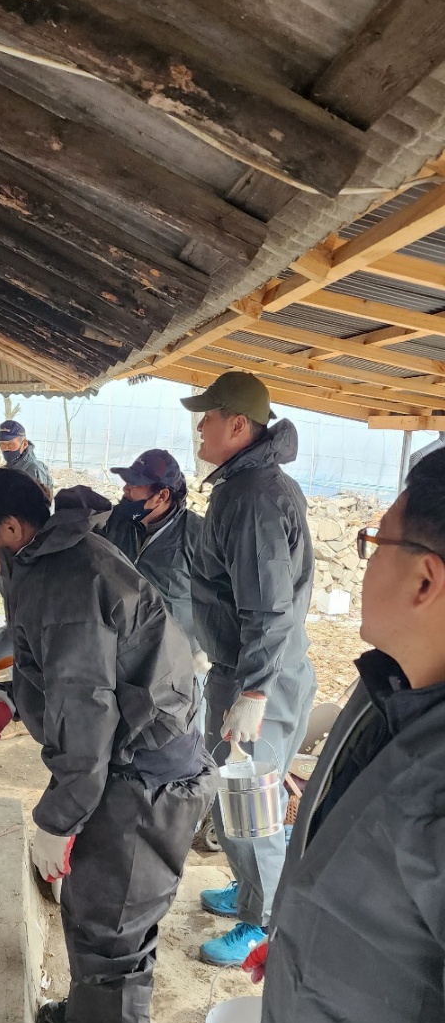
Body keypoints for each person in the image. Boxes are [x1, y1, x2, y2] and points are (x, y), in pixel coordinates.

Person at [248, 447, 445, 1023]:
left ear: (425, 580)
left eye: (374, 542)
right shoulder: (388, 692)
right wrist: (294, 940)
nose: (360, 560)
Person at [0, 469, 214, 1023]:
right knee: (96, 910)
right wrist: (10, 703)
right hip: (132, 761)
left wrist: (56, 819)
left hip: (146, 779)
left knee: (112, 931)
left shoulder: (65, 580)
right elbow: (64, 671)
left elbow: (85, 719)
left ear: (12, 529)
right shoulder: (56, 555)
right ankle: (90, 1015)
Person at [180, 371, 316, 966]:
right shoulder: (248, 485)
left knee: (254, 806)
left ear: (238, 425)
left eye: (207, 418)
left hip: (259, 677)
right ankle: (249, 891)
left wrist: (254, 692)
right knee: (237, 800)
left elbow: (267, 608)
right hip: (250, 670)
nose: (199, 429)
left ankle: (263, 925)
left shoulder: (253, 496)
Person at [99, 449, 208, 686]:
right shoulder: (115, 522)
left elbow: (222, 595)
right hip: (118, 651)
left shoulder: (199, 536)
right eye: (127, 482)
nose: (125, 489)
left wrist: (204, 648)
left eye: (135, 484)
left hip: (173, 658)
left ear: (162, 495)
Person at [0, 419, 53, 693]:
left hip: (46, 641)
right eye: (2, 444)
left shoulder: (33, 472)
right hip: (17, 628)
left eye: (10, 443)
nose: (5, 449)